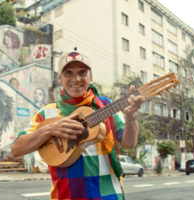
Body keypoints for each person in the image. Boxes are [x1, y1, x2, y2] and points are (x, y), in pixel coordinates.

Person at [12, 52, 145, 199]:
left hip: (109, 196)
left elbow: (130, 143)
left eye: (82, 72)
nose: (76, 79)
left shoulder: (106, 106)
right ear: (60, 78)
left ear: (90, 77)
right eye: (69, 73)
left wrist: (131, 117)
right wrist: (51, 129)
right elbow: (17, 149)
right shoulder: (47, 113)